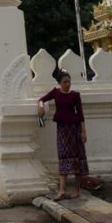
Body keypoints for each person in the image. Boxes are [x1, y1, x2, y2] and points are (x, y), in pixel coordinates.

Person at [37, 71, 88, 200]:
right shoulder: (56, 92)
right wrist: (41, 106)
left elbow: (80, 114)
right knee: (63, 157)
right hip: (62, 130)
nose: (67, 84)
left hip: (74, 130)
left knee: (77, 159)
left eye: (69, 81)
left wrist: (83, 131)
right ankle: (62, 190)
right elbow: (42, 99)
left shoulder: (75, 95)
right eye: (65, 82)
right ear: (59, 83)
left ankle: (76, 189)